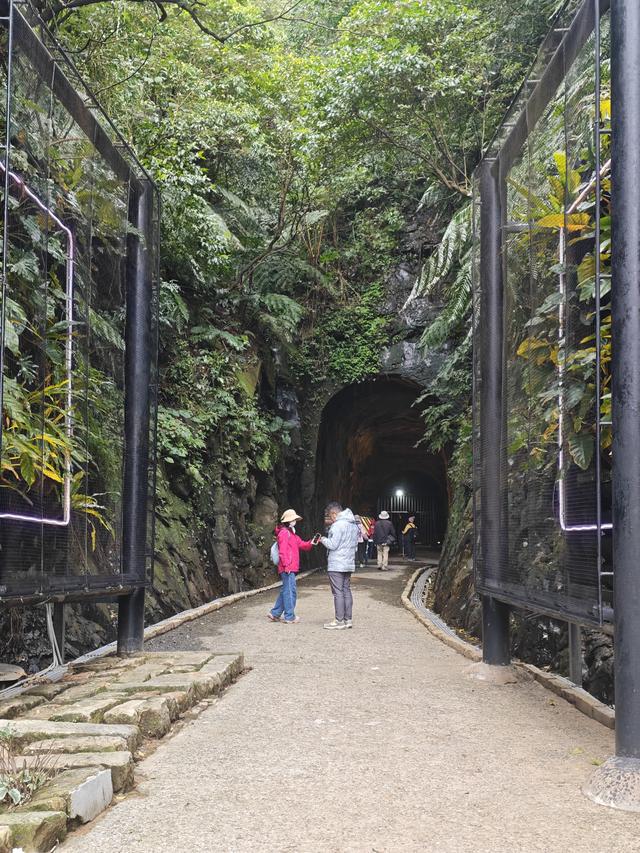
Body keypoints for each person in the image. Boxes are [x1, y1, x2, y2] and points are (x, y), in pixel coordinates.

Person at [268, 509, 315, 624]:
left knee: (286, 590)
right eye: (293, 519)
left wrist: (311, 543)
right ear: (288, 521)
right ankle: (289, 616)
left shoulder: (291, 533)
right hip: (287, 567)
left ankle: (275, 613)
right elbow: (283, 551)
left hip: (289, 567)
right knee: (290, 592)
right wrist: (286, 566)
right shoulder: (284, 533)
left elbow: (302, 544)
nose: (295, 521)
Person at [320, 501, 359, 630]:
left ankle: (338, 621)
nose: (330, 519)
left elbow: (332, 545)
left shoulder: (337, 525)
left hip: (336, 564)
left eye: (330, 517)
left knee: (338, 592)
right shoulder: (353, 525)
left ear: (334, 514)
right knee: (346, 590)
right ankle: (348, 620)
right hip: (348, 563)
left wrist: (322, 539)